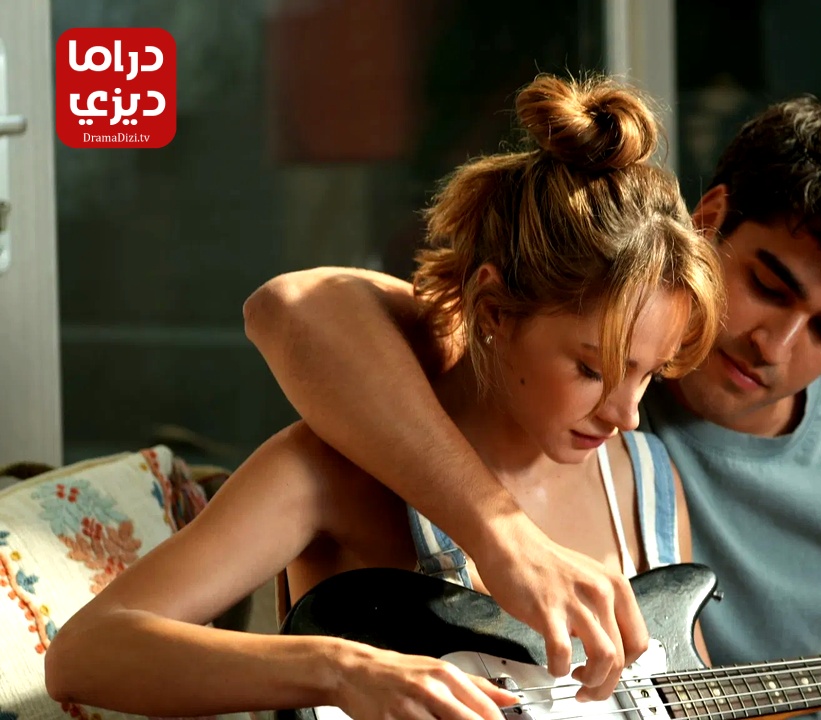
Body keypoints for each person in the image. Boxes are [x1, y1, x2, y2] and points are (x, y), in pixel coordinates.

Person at [239, 95, 821, 720]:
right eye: (768, 285)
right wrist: (502, 533)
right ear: (705, 222)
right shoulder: (580, 356)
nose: (775, 347)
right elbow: (293, 309)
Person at [43, 73, 732, 720]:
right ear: (494, 310)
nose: (626, 413)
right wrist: (340, 669)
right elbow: (86, 654)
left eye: (649, 373)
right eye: (591, 369)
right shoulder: (333, 470)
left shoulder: (645, 483)